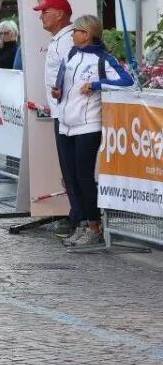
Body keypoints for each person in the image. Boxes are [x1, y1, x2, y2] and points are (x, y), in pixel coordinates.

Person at [52, 15, 133, 247]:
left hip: (89, 125)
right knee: (73, 178)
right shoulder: (71, 55)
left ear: (86, 34)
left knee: (84, 177)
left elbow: (127, 81)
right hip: (67, 124)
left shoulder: (103, 59)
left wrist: (97, 85)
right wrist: (59, 93)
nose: (72, 34)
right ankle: (84, 225)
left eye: (75, 31)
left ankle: (95, 228)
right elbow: (66, 87)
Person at [26, 0, 79, 237]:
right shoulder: (60, 35)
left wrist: (63, 92)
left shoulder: (70, 38)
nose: (42, 15)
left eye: (46, 12)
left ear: (60, 15)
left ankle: (81, 218)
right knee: (68, 168)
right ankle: (77, 215)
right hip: (62, 112)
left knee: (74, 169)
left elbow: (77, 71)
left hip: (72, 114)